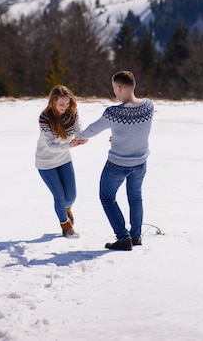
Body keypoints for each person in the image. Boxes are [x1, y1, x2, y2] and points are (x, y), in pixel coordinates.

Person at [74, 70, 154, 251]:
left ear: (119, 88)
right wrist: (118, 136)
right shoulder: (149, 106)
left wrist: (76, 137)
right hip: (140, 163)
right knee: (135, 198)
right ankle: (136, 236)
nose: (114, 92)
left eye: (113, 88)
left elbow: (93, 130)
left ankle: (123, 237)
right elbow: (138, 129)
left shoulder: (114, 113)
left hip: (118, 165)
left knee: (107, 197)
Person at [35, 85, 87, 238]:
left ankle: (66, 209)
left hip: (64, 159)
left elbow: (79, 132)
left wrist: (85, 137)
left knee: (71, 197)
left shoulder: (72, 114)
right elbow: (51, 146)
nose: (65, 107)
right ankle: (66, 227)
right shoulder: (44, 118)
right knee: (59, 197)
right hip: (46, 162)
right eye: (61, 104)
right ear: (53, 102)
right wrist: (71, 144)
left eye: (68, 103)